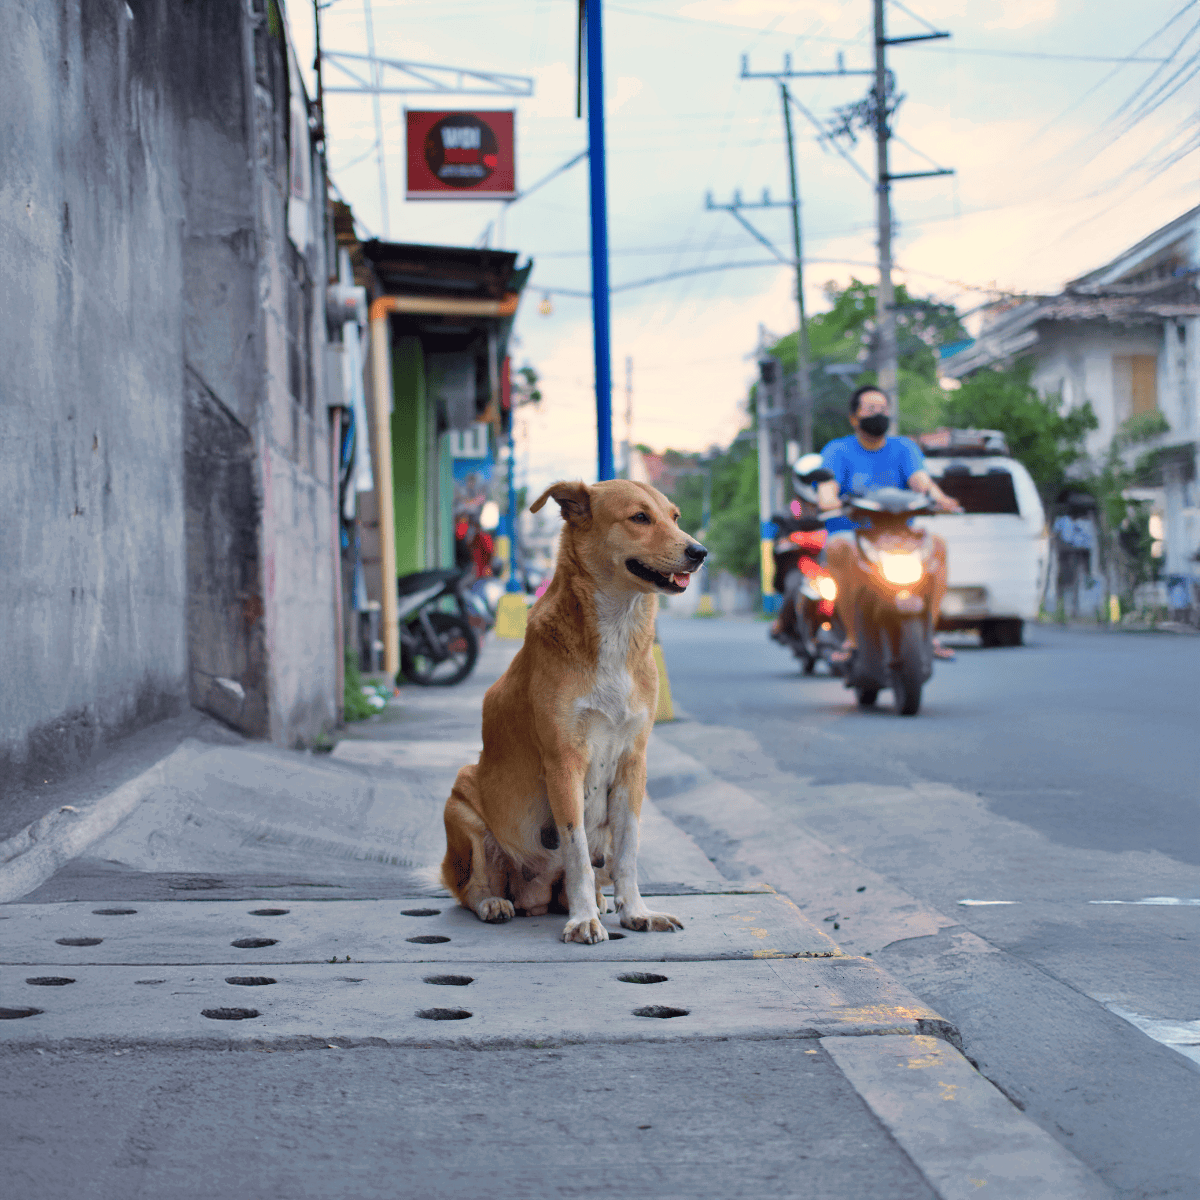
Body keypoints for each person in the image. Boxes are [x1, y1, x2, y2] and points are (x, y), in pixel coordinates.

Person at [816, 385, 961, 662]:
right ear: (854, 418)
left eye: (883, 409)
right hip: (854, 534)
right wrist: (829, 500)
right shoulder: (838, 450)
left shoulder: (904, 448)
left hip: (900, 534)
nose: (878, 414)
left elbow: (922, 482)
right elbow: (827, 490)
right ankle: (852, 638)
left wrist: (941, 499)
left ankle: (929, 633)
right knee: (837, 548)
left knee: (939, 545)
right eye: (870, 409)